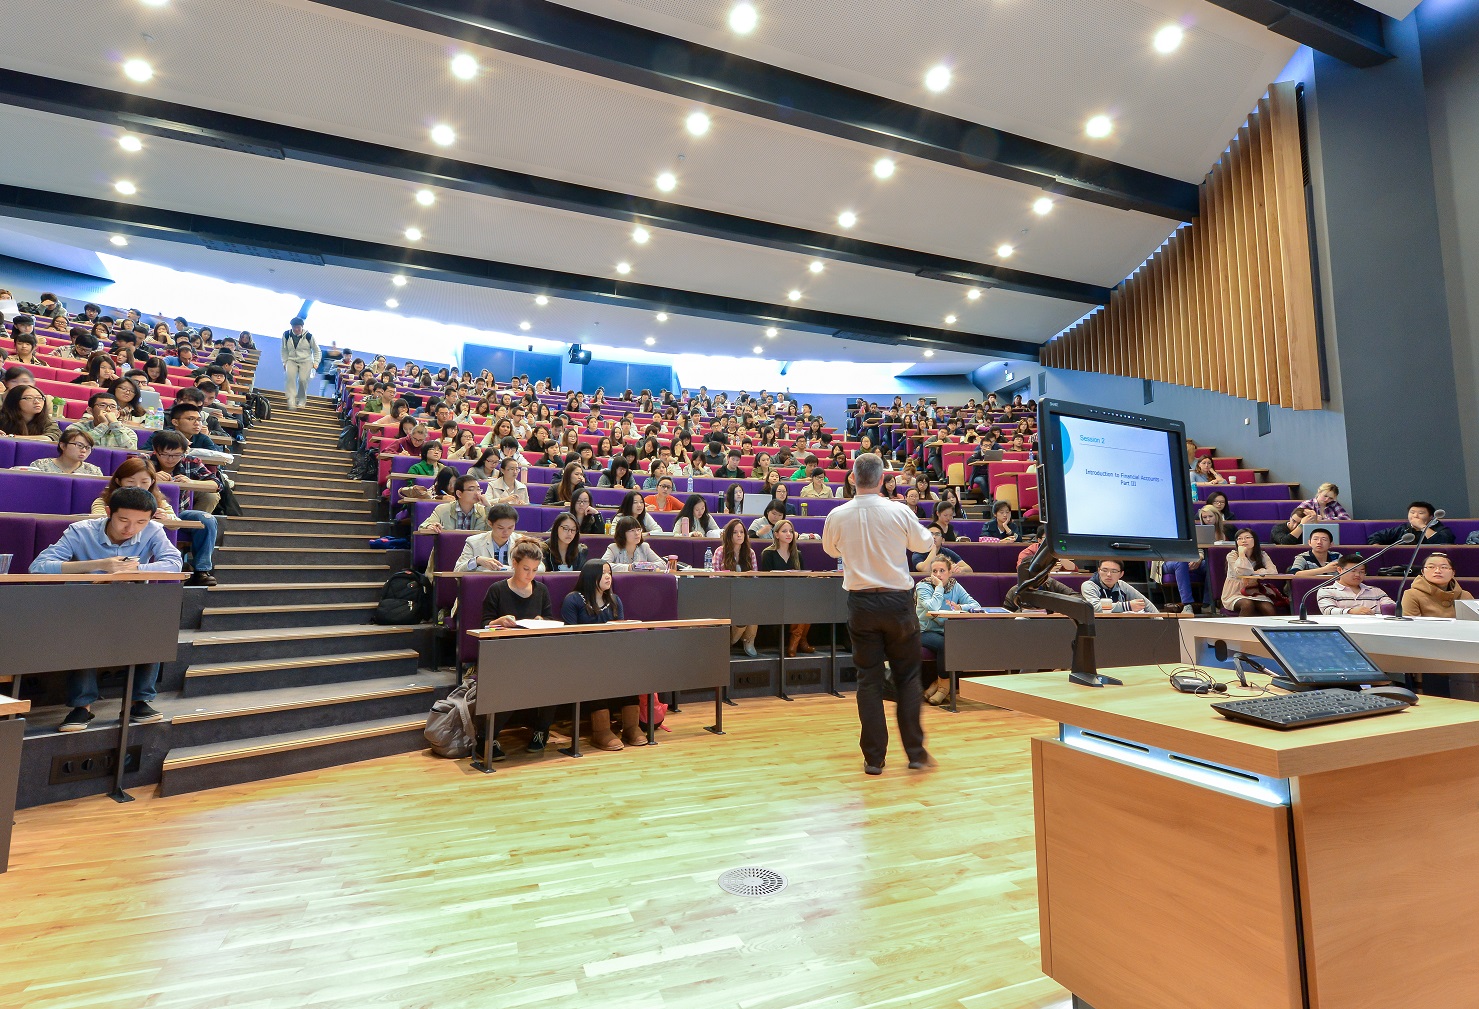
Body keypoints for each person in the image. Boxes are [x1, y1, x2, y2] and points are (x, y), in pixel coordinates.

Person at [31, 487, 182, 731]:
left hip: (130, 603)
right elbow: (39, 567)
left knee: (156, 621)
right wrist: (100, 565)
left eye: (140, 522)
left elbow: (174, 563)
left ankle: (139, 702)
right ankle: (82, 707)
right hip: (83, 604)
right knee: (83, 627)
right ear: (109, 512)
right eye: (123, 520)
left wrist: (133, 569)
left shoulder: (154, 530)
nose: (130, 529)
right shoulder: (81, 531)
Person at [822, 453, 935, 775]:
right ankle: (915, 753)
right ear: (883, 479)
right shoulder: (898, 510)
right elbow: (924, 544)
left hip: (861, 604)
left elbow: (830, 550)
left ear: (853, 478)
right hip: (897, 603)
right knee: (908, 677)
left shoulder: (838, 514)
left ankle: (874, 758)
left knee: (868, 680)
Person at [481, 539, 559, 754]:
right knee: (512, 681)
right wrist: (498, 621)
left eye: (534, 570)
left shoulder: (541, 590)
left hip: (535, 652)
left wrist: (542, 621)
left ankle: (541, 730)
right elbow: (484, 625)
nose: (530, 575)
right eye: (526, 569)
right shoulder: (497, 589)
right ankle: (487, 737)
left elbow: (549, 620)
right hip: (503, 654)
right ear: (514, 563)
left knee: (554, 678)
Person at [559, 560, 647, 750]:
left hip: (612, 655)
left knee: (630, 669)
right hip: (584, 658)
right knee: (596, 672)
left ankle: (631, 727)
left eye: (610, 573)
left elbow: (621, 633)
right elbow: (569, 637)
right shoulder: (573, 599)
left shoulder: (614, 600)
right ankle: (601, 730)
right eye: (604, 573)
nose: (608, 577)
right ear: (591, 576)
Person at [915, 556, 979, 706]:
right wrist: (939, 587)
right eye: (934, 571)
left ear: (950, 572)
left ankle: (937, 684)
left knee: (967, 645)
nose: (938, 574)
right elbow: (932, 608)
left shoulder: (954, 585)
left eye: (942, 571)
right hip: (923, 631)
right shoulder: (923, 586)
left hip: (946, 630)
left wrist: (960, 607)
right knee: (947, 644)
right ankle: (944, 689)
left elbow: (975, 604)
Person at [759, 518, 813, 655]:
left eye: (791, 531)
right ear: (776, 534)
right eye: (784, 531)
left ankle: (797, 640)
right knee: (800, 602)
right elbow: (765, 581)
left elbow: (803, 577)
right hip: (775, 594)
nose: (789, 534)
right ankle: (798, 641)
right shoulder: (768, 553)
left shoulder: (797, 554)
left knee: (808, 600)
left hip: (795, 593)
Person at [714, 519, 760, 655]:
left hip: (746, 593)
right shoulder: (720, 551)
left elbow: (755, 578)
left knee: (754, 603)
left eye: (742, 532)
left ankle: (749, 640)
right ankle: (731, 641)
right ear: (729, 535)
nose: (739, 535)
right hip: (725, 593)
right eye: (735, 532)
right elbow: (714, 577)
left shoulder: (750, 552)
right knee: (743, 605)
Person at [454, 504, 534, 571]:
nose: (506, 532)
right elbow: (457, 570)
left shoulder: (523, 542)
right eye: (500, 528)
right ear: (490, 523)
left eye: (510, 527)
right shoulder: (473, 542)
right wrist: (477, 561)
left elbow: (539, 568)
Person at [1221, 528, 1281, 616]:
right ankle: (1240, 625)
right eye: (1240, 538)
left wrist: (1257, 572)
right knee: (1247, 605)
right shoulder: (1232, 555)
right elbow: (1242, 572)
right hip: (1235, 592)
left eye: (1247, 537)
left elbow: (1273, 571)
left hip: (1254, 591)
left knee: (1268, 608)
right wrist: (1242, 554)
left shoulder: (1262, 555)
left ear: (1254, 540)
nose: (1243, 541)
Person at [1317, 554, 1396, 615]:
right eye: (1353, 571)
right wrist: (1351, 611)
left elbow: (1392, 608)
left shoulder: (1376, 592)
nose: (1357, 575)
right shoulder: (1327, 591)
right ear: (1340, 570)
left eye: (1361, 572)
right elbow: (1328, 611)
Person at [1401, 553, 1474, 617]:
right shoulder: (1412, 595)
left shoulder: (1465, 596)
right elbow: (1412, 626)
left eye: (1444, 567)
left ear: (1453, 573)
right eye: (1431, 567)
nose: (1437, 571)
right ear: (1423, 572)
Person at [1081, 558, 1157, 612]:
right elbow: (1094, 607)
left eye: (1114, 571)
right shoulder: (1089, 585)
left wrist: (1159, 620)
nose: (1108, 574)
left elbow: (1145, 603)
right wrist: (1127, 606)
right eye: (1104, 570)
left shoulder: (1122, 585)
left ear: (1121, 574)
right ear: (1098, 570)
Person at [418, 475, 490, 532]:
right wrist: (430, 526)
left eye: (478, 489)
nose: (477, 493)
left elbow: (493, 531)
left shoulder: (484, 511)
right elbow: (422, 526)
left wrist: (488, 507)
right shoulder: (442, 509)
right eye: (471, 489)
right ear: (459, 494)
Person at [1368, 501, 1456, 545]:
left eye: (1421, 513)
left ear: (1431, 516)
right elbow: (1375, 537)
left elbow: (1444, 542)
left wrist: (1422, 526)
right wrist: (1376, 547)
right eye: (1412, 512)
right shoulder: (1402, 528)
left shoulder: (1442, 529)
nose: (1415, 516)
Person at [281, 316, 321, 410]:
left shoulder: (309, 336)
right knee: (290, 378)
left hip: (306, 361)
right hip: (291, 360)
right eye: (294, 327)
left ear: (302, 327)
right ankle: (291, 399)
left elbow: (317, 350)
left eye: (298, 327)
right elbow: (284, 350)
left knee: (302, 380)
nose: (296, 329)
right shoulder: (286, 335)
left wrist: (316, 363)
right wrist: (284, 362)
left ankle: (302, 400)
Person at [26, 427, 103, 476]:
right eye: (79, 445)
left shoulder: (94, 472)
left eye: (88, 447)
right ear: (62, 446)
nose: (84, 450)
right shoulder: (40, 466)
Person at [74, 391, 139, 449]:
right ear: (90, 410)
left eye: (113, 407)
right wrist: (104, 424)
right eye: (102, 405)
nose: (108, 409)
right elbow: (77, 446)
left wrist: (114, 423)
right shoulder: (77, 427)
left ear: (118, 414)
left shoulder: (128, 432)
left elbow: (131, 451)